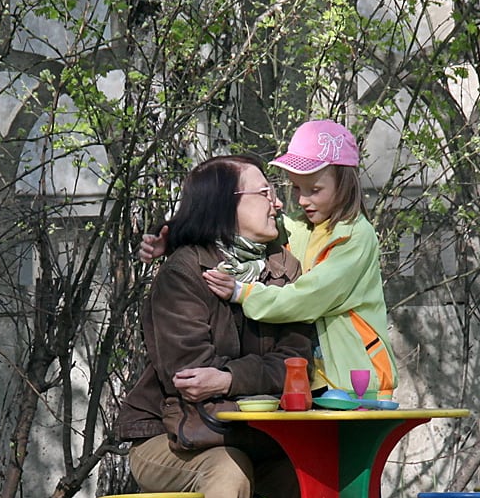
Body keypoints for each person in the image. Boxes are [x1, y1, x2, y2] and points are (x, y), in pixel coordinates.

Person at [117, 154, 315, 498]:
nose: (277, 203)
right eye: (265, 193)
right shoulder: (184, 272)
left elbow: (296, 365)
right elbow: (191, 377)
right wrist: (254, 377)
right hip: (173, 437)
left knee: (318, 479)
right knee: (227, 471)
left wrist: (228, 378)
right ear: (227, 204)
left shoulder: (284, 268)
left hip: (259, 438)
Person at [141, 120, 398, 397]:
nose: (300, 201)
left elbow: (309, 297)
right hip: (319, 385)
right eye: (296, 188)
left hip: (359, 381)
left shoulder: (355, 237)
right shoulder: (301, 228)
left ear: (345, 185)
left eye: (314, 190)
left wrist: (243, 293)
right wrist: (173, 236)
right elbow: (222, 223)